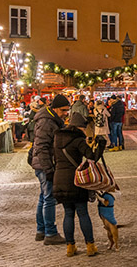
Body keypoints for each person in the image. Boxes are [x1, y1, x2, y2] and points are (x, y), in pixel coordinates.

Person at [52, 112, 104, 257]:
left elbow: (53, 158)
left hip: (59, 180)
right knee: (82, 213)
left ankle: (70, 247)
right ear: (80, 127)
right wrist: (101, 144)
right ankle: (90, 246)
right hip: (75, 181)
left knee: (68, 213)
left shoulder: (57, 138)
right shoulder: (78, 140)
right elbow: (92, 157)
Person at [31, 94, 70, 244]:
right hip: (44, 165)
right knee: (49, 198)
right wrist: (48, 169)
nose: (66, 113)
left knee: (44, 197)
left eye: (67, 110)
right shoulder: (47, 122)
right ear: (55, 109)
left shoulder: (51, 119)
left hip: (42, 164)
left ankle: (41, 231)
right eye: (63, 110)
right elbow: (41, 146)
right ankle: (50, 233)